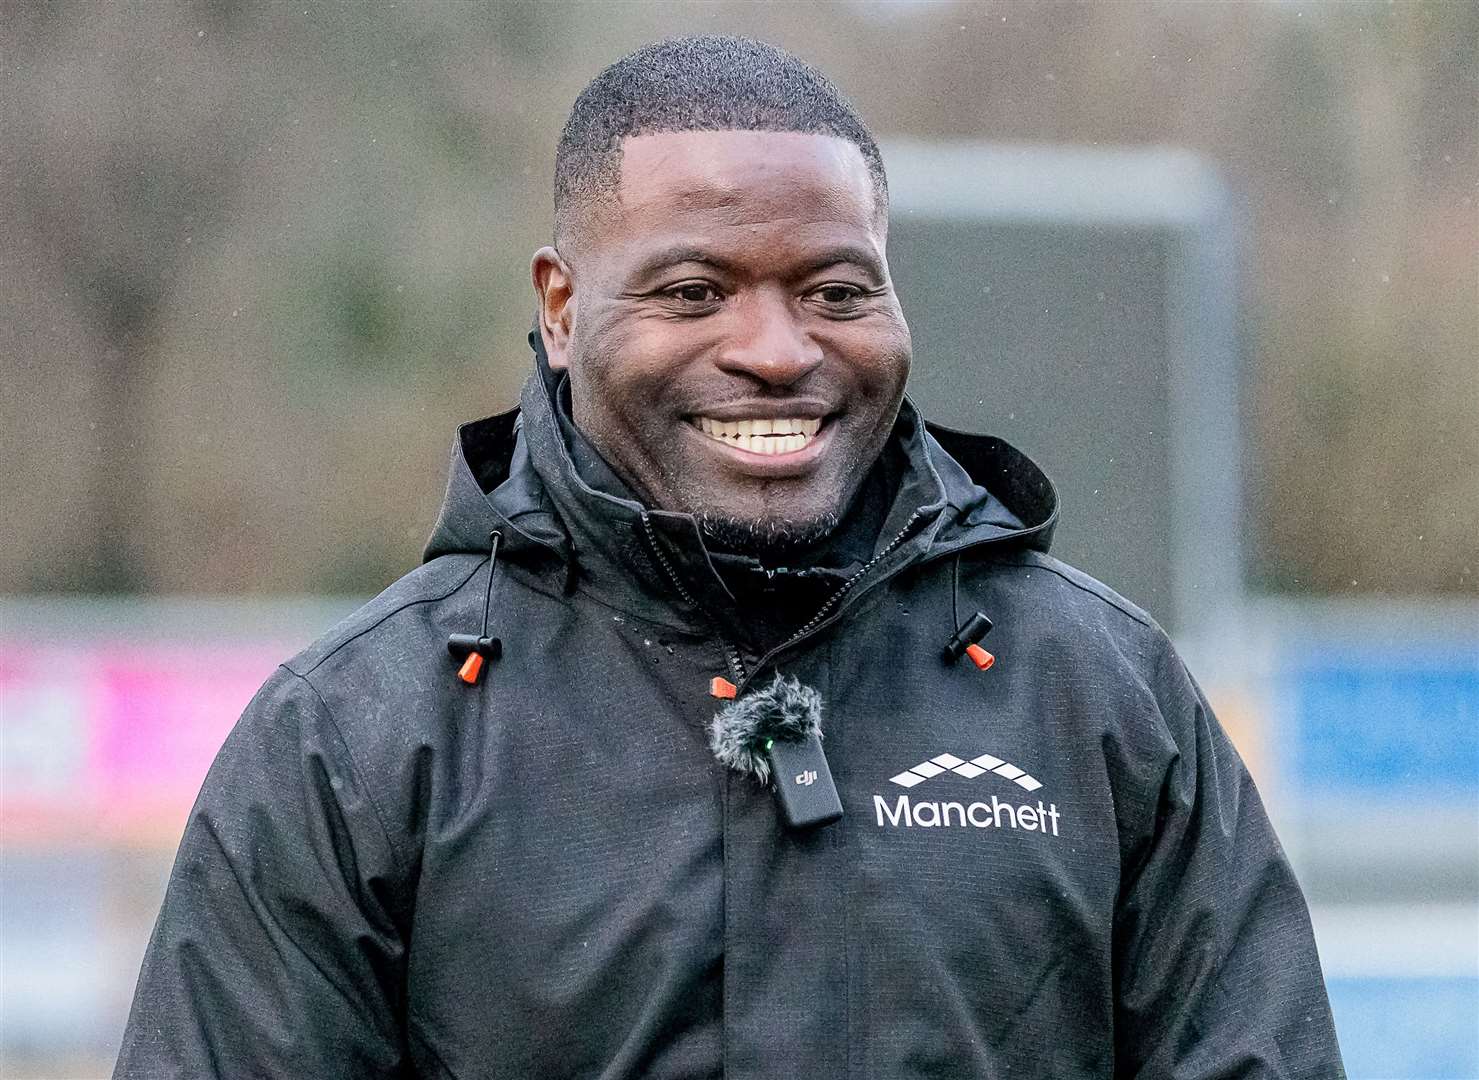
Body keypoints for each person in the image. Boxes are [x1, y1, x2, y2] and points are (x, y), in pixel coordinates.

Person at [114, 35, 1344, 1079]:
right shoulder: (356, 738)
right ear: (560, 306)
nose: (776, 349)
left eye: (835, 290)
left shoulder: (1100, 695)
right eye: (696, 291)